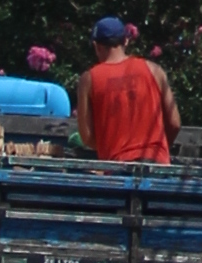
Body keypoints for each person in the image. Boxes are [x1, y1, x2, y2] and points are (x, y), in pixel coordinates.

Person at [75, 14, 179, 163]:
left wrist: (111, 145)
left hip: (118, 169)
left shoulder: (89, 79)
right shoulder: (154, 70)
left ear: (96, 46)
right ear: (126, 41)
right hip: (157, 165)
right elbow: (175, 122)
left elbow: (86, 135)